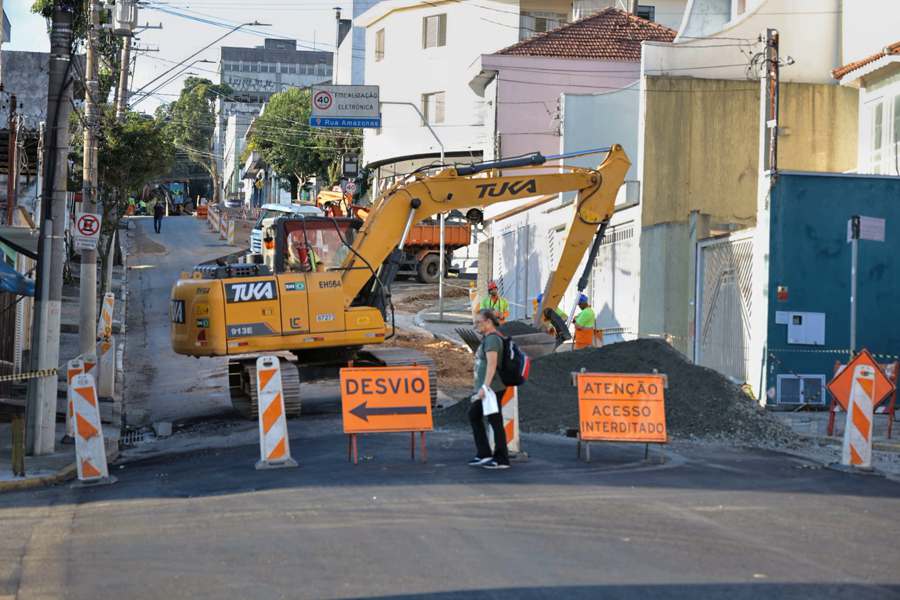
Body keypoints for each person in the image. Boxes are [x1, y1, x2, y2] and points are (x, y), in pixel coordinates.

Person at [467, 309, 510, 470]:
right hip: (489, 387)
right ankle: (485, 454)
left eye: (478, 322)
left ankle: (501, 459)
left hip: (492, 388)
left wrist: (484, 388)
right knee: (477, 416)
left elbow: (492, 365)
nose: (476, 325)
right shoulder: (488, 338)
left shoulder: (492, 339)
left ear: (488, 322)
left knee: (493, 420)